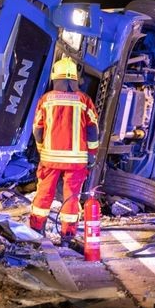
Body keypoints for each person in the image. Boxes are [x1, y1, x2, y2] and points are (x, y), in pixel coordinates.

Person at [28, 56, 99, 246]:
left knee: (44, 193)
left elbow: (37, 129)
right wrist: (92, 155)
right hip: (76, 161)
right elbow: (93, 131)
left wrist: (42, 150)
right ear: (75, 79)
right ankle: (67, 237)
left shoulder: (46, 100)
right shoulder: (84, 101)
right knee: (71, 198)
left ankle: (36, 231)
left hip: (50, 159)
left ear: (55, 77)